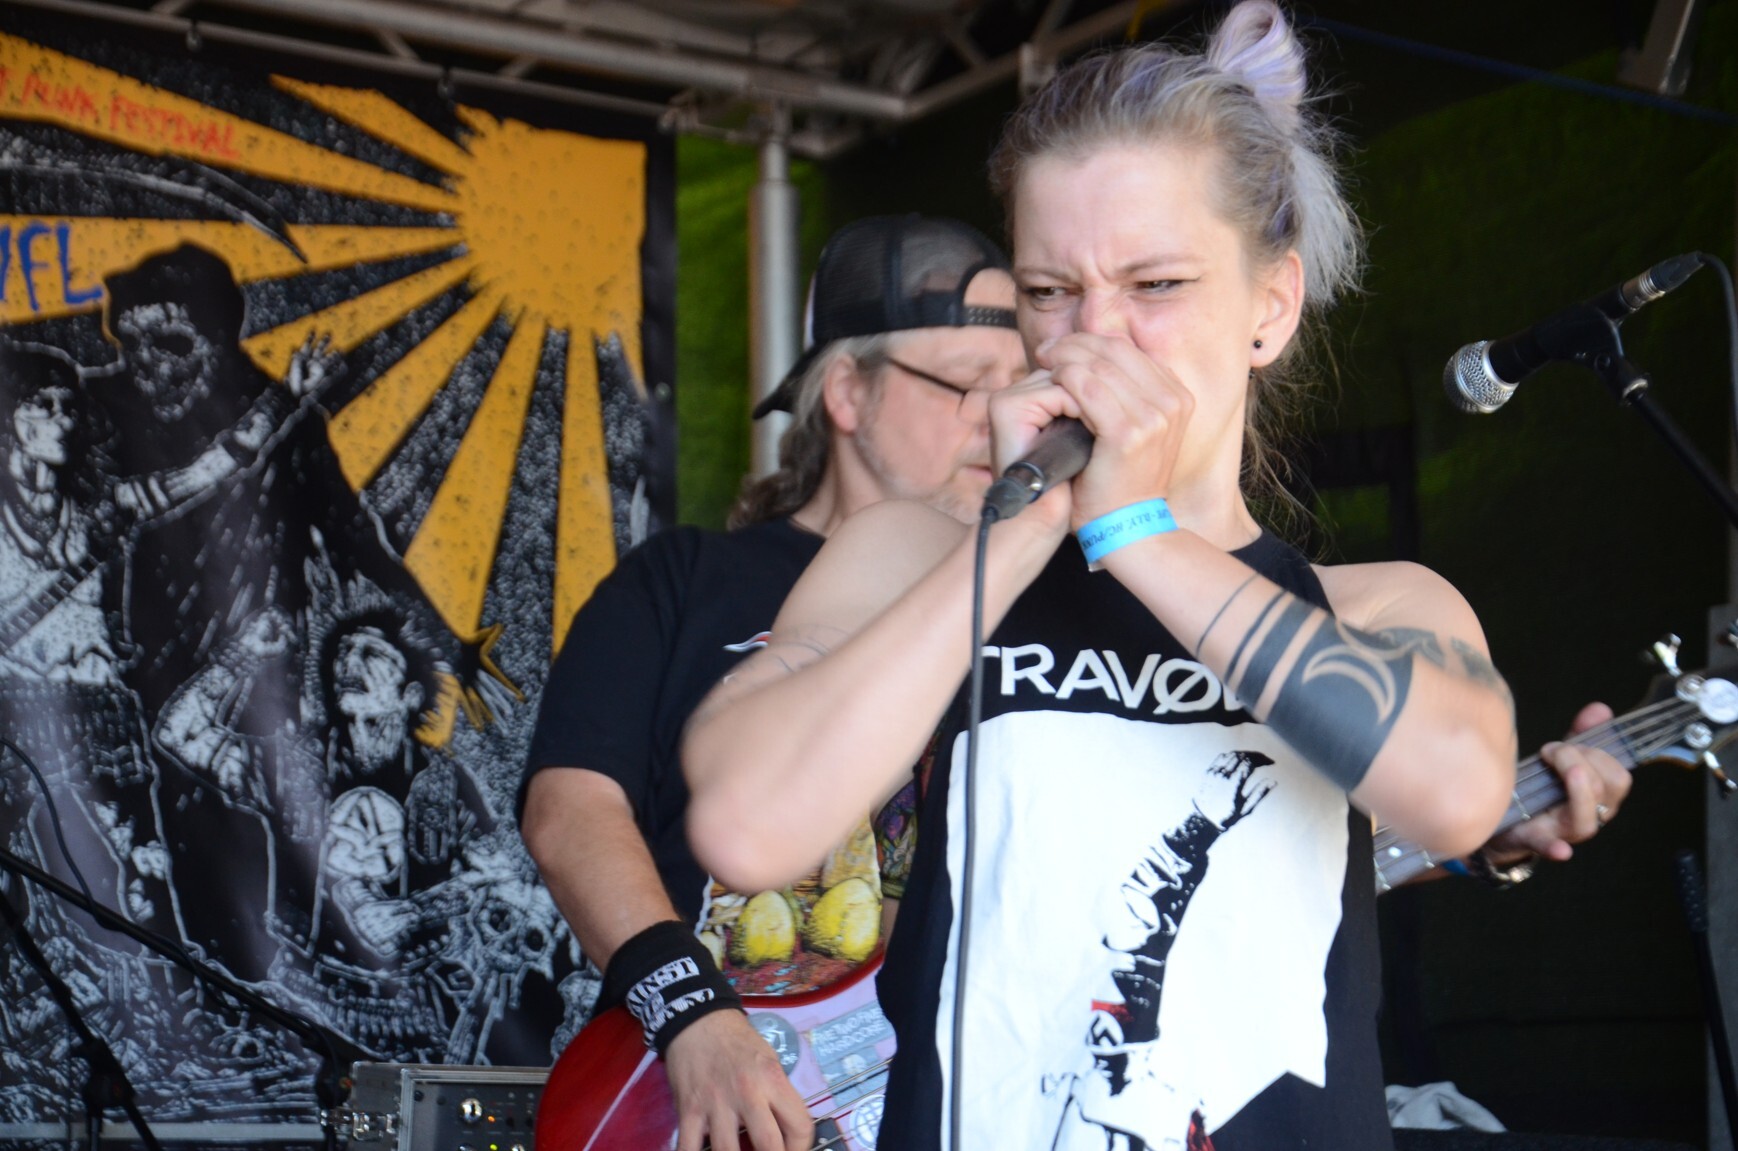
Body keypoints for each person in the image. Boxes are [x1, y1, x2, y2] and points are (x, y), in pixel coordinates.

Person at [683, 7, 1628, 1149]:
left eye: (1157, 284)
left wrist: (1134, 530)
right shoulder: (914, 556)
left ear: (1270, 307)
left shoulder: (1379, 604)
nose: (1097, 337)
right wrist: (1024, 528)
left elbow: (1459, 791)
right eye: (1048, 292)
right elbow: (746, 824)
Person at [519, 215, 1031, 1151]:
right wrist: (692, 1014)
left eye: (1024, 386)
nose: (1001, 418)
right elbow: (570, 810)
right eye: (968, 383)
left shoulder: (1033, 605)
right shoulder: (684, 579)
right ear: (848, 391)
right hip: (713, 1099)